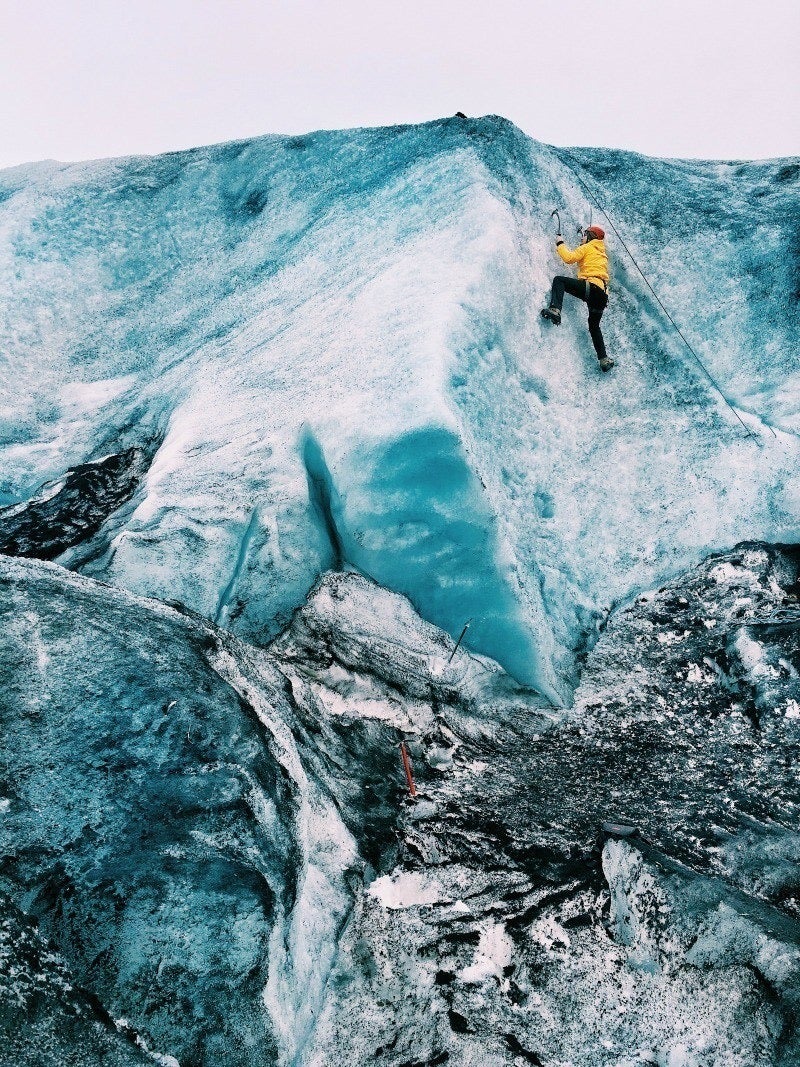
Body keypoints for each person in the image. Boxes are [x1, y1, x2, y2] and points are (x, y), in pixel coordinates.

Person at [541, 226, 614, 372]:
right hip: (602, 296)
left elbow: (569, 258)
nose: (582, 238)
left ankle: (555, 309)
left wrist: (560, 243)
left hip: (591, 288)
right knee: (594, 327)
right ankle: (604, 359)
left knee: (559, 280)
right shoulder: (601, 253)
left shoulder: (588, 247)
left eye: (584, 235)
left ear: (590, 237)